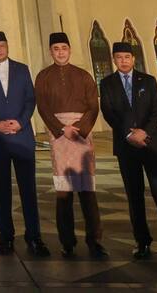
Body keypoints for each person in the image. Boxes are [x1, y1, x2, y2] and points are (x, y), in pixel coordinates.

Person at [99, 42, 157, 263]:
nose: (123, 61)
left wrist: (144, 132)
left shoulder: (147, 80)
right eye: (119, 57)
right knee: (134, 197)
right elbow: (109, 113)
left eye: (127, 57)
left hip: (152, 145)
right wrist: (129, 135)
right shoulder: (107, 83)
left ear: (133, 58)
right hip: (126, 148)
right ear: (114, 60)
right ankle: (143, 242)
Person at [0, 31, 49, 257]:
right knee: (0, 189)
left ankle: (34, 236)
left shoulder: (22, 69)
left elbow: (30, 99)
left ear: (7, 46)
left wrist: (21, 122)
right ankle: (5, 237)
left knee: (28, 189)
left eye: (2, 46)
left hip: (21, 135)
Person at [35, 32, 107, 259]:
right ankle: (67, 242)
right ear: (50, 51)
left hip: (81, 135)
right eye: (56, 48)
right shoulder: (43, 77)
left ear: (70, 50)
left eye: (64, 48)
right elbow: (43, 107)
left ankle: (94, 241)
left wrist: (79, 128)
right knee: (63, 192)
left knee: (87, 190)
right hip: (59, 137)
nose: (60, 52)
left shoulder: (84, 75)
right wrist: (60, 129)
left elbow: (93, 106)